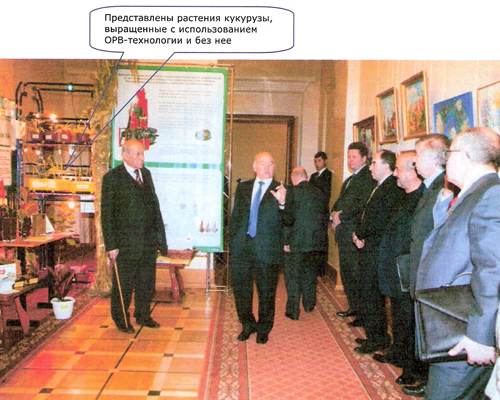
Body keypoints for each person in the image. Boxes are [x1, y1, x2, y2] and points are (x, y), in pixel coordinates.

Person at [415, 127, 500, 400]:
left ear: (463, 156)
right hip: (451, 326)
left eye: (448, 153)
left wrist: (480, 337)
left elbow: (493, 270)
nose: (446, 160)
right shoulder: (475, 192)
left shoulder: (491, 194)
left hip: (465, 333)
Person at [101, 138, 168, 334]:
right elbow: (107, 214)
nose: (142, 158)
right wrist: (111, 245)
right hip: (125, 244)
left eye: (142, 154)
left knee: (146, 282)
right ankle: (121, 319)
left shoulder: (145, 174)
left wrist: (159, 237)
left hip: (147, 242)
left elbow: (153, 205)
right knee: (123, 284)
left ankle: (143, 315)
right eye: (138, 154)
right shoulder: (112, 178)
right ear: (125, 155)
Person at [402, 134, 450, 397]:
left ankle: (429, 381)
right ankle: (424, 378)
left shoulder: (444, 188)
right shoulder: (430, 187)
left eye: (418, 155)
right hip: (420, 271)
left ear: (432, 159)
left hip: (431, 275)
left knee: (431, 330)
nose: (414, 162)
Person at [374, 151, 426, 385]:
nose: (395, 174)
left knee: (407, 320)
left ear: (411, 171)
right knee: (398, 317)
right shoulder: (401, 195)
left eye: (397, 169)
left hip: (406, 269)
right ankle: (397, 353)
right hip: (393, 269)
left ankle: (411, 368)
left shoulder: (421, 199)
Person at [229, 152, 285, 345]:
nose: (267, 167)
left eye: (270, 164)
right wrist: (233, 243)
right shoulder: (243, 188)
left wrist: (283, 203)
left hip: (267, 250)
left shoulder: (281, 190)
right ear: (254, 167)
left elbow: (289, 220)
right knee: (241, 290)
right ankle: (247, 324)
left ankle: (263, 328)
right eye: (262, 163)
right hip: (242, 249)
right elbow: (236, 218)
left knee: (267, 293)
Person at [352, 150, 403, 354]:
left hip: (377, 250)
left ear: (386, 166)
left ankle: (377, 339)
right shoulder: (381, 185)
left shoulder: (391, 187)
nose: (370, 168)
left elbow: (379, 220)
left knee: (372, 296)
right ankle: (374, 336)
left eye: (374, 163)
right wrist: (359, 233)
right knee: (369, 295)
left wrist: (360, 233)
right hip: (370, 246)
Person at [331, 142, 377, 325]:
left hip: (353, 233)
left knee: (355, 274)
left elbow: (360, 205)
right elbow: (339, 202)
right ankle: (353, 307)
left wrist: (340, 217)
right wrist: (333, 214)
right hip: (343, 233)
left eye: (354, 157)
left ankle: (361, 314)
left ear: (364, 159)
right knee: (347, 273)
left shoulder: (367, 178)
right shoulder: (350, 179)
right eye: (349, 156)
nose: (350, 160)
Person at [275, 167, 329, 320]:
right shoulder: (320, 192)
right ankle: (309, 304)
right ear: (306, 177)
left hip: (296, 241)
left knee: (293, 276)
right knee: (310, 274)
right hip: (316, 242)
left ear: (293, 179)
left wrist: (285, 241)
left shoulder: (292, 192)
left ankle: (293, 310)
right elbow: (324, 217)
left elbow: (288, 220)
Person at [309, 151, 333, 277]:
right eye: (315, 161)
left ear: (325, 161)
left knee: (322, 240)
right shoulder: (313, 176)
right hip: (312, 212)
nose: (317, 163)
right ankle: (314, 266)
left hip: (322, 212)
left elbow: (325, 194)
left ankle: (322, 268)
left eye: (319, 161)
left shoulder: (328, 175)